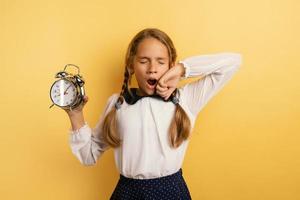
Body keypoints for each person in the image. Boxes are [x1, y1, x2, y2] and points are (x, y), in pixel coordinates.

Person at [65, 28, 242, 199]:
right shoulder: (117, 104)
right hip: (127, 194)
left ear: (170, 64)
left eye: (161, 61)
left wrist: (181, 69)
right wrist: (75, 115)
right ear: (131, 65)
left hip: (172, 193)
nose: (152, 68)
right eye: (143, 61)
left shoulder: (186, 99)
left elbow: (233, 61)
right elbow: (88, 155)